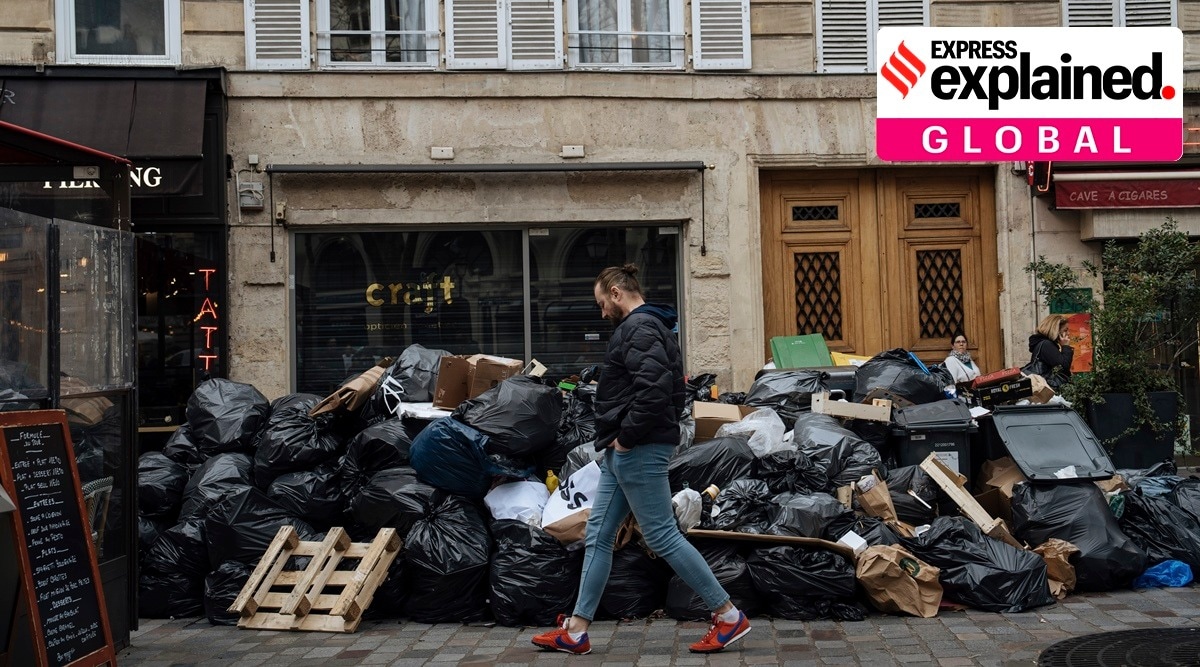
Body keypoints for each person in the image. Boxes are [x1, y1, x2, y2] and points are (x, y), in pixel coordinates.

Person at [531, 264, 750, 656]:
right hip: (626, 449)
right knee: (598, 535)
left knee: (662, 535)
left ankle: (729, 616)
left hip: (637, 449)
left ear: (617, 293)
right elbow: (672, 393)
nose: (601, 313)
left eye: (602, 303)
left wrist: (628, 439)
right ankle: (576, 631)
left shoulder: (638, 328)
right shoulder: (652, 328)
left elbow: (655, 390)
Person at [1028, 314, 1074, 389]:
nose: (1068, 333)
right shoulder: (1046, 345)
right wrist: (1066, 346)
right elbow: (1063, 367)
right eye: (1065, 330)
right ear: (1056, 330)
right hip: (1049, 390)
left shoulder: (1046, 344)